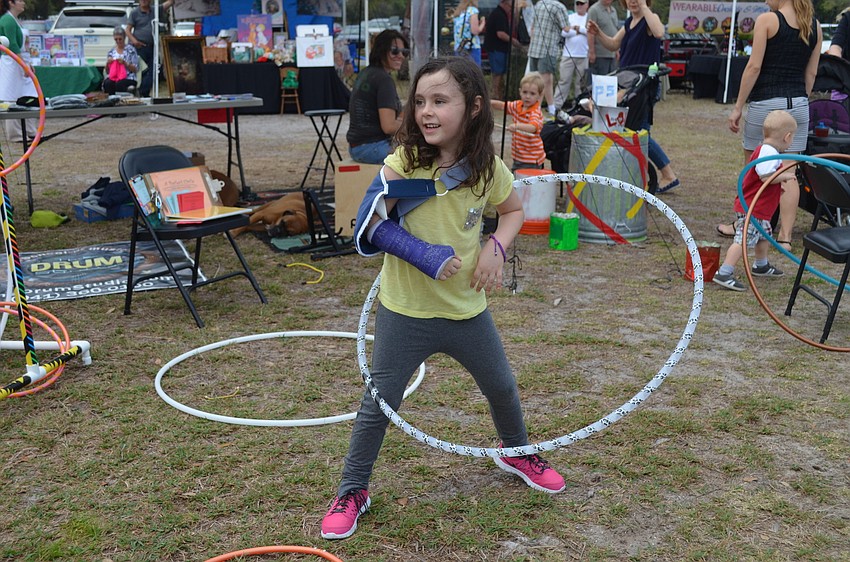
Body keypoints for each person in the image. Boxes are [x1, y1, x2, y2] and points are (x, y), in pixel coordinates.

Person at [321, 56, 566, 541]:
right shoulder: (402, 163)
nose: (426, 111)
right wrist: (421, 253)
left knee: (501, 387)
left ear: (474, 108)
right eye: (420, 102)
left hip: (466, 310)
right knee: (379, 404)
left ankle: (515, 450)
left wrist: (496, 246)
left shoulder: (487, 169)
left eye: (440, 101)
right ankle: (353, 489)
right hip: (404, 312)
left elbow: (513, 210)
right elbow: (368, 226)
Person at [724, 0, 821, 249]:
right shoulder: (815, 26)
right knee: (789, 173)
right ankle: (785, 237)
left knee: (754, 169)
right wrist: (800, 100)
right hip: (798, 103)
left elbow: (754, 66)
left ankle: (746, 226)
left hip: (766, 103)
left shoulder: (767, 20)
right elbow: (811, 73)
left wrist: (737, 107)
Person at [587, 0, 680, 193]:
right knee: (634, 129)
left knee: (639, 132)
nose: (633, 1)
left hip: (643, 86)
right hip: (627, 84)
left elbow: (659, 32)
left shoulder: (649, 19)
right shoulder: (630, 22)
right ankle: (659, 173)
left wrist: (645, 7)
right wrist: (598, 34)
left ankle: (668, 174)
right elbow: (613, 44)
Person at [713, 110, 798, 291]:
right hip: (753, 207)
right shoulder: (768, 151)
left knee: (763, 236)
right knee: (743, 239)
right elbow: (765, 176)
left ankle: (761, 264)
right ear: (787, 137)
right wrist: (784, 176)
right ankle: (725, 272)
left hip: (760, 209)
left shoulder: (767, 149)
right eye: (793, 138)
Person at [346, 29, 408, 164]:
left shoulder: (367, 72)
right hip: (373, 148)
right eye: (395, 51)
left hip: (357, 147)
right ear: (381, 50)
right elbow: (389, 126)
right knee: (422, 155)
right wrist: (415, 128)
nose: (401, 56)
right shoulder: (384, 79)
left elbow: (396, 117)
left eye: (404, 52)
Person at [491, 71, 546, 170]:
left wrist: (516, 126)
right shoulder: (517, 105)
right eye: (525, 92)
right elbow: (502, 105)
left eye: (532, 93)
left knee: (526, 183)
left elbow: (533, 127)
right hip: (518, 156)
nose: (528, 96)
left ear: (539, 95)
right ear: (520, 91)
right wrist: (487, 102)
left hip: (532, 159)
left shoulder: (535, 112)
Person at [0, 0, 37, 142]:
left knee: (27, 95)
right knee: (12, 97)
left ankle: (30, 129)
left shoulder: (15, 20)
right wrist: (24, 64)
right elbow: (12, 45)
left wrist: (28, 63)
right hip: (11, 63)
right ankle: (15, 134)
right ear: (11, 2)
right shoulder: (7, 20)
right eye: (20, 0)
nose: (24, 3)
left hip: (20, 61)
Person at [527, 0, 569, 116]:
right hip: (548, 49)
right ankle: (537, 109)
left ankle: (551, 108)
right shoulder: (559, 6)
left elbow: (532, 28)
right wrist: (576, 28)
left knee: (544, 79)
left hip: (534, 47)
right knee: (544, 80)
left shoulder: (539, 4)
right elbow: (566, 28)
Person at [126, 0, 173, 98]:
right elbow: (128, 30)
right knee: (141, 73)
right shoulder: (134, 13)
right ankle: (143, 94)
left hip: (152, 47)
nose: (144, 1)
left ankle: (142, 92)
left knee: (153, 72)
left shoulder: (155, 10)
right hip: (139, 48)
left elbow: (168, 4)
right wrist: (134, 41)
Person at [553, 0, 590, 111]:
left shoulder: (589, 17)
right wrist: (578, 31)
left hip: (583, 54)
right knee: (564, 80)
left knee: (580, 83)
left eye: (581, 4)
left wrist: (577, 29)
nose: (579, 6)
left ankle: (578, 106)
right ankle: (556, 106)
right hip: (568, 54)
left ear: (587, 5)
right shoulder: (570, 17)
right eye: (577, 3)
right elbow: (564, 32)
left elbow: (590, 32)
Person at [483, 0, 521, 101]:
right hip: (496, 48)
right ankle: (496, 95)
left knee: (499, 73)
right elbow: (500, 34)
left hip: (499, 48)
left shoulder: (501, 13)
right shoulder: (498, 14)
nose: (510, 10)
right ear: (504, 4)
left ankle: (498, 94)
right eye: (510, 7)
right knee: (497, 73)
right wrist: (513, 41)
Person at [587, 0, 620, 76]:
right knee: (600, 82)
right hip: (600, 55)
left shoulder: (613, 10)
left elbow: (615, 30)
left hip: (612, 55)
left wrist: (617, 50)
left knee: (611, 80)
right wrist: (591, 52)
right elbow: (590, 32)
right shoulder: (594, 10)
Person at [103, 26, 139, 95]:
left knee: (119, 84)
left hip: (129, 77)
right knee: (107, 83)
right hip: (114, 77)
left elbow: (135, 69)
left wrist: (125, 63)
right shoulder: (112, 52)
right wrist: (108, 63)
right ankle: (111, 100)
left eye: (120, 39)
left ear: (124, 38)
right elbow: (108, 71)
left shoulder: (131, 50)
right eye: (116, 39)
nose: (118, 41)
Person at [451, 0, 485, 67]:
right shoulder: (472, 11)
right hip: (471, 47)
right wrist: (483, 23)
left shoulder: (459, 11)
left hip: (459, 47)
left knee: (460, 71)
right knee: (474, 72)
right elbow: (475, 31)